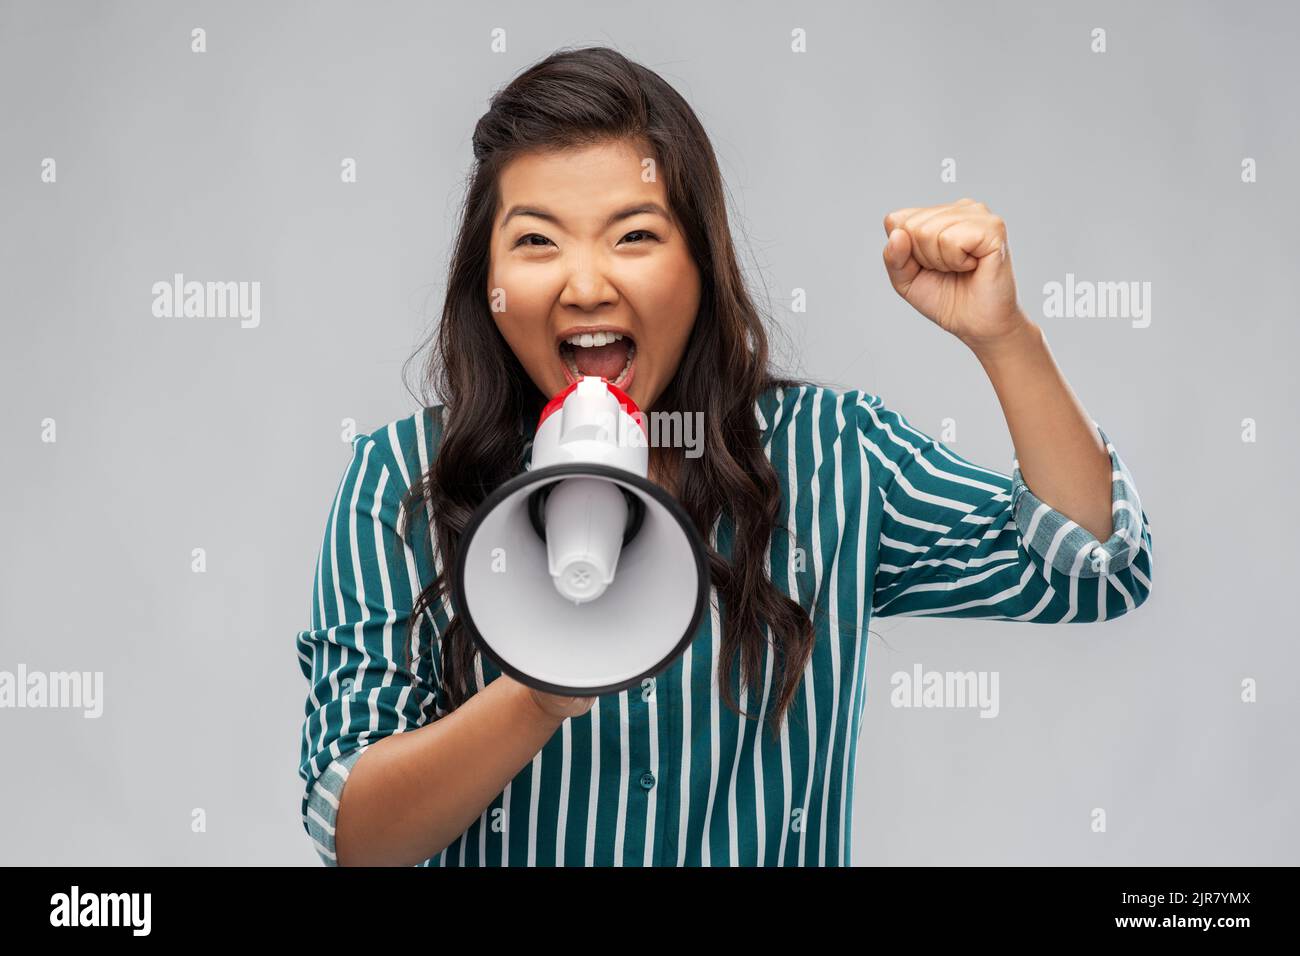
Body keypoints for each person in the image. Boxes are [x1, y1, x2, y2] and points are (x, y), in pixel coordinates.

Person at [296, 46, 1153, 867]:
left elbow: (1093, 570)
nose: (586, 285)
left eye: (633, 236)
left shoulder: (830, 454)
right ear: (486, 282)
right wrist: (537, 695)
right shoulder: (405, 481)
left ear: (701, 266)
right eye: (536, 242)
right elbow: (358, 834)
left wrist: (1004, 339)